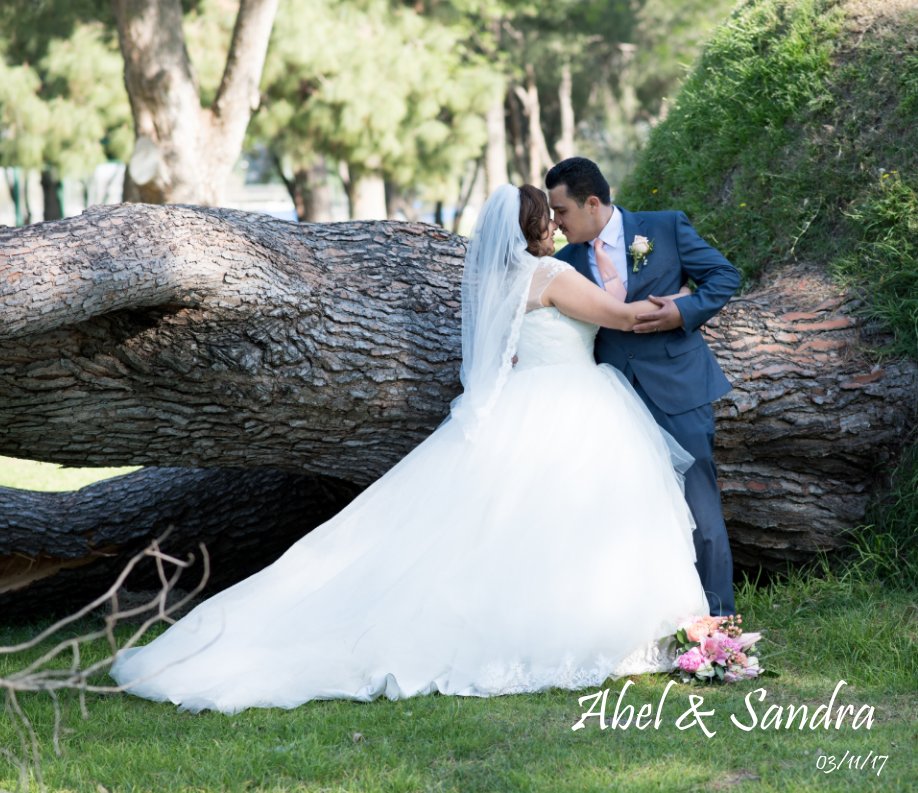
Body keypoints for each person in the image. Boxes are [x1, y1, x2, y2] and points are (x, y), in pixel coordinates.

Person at [110, 184, 710, 713]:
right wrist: (679, 300)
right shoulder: (552, 276)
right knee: (569, 522)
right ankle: (590, 629)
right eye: (548, 218)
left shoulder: (498, 281)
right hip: (572, 402)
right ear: (534, 228)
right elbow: (622, 318)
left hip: (524, 401)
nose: (556, 225)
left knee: (520, 528)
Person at [545, 157, 740, 616]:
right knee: (630, 515)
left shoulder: (664, 227)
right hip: (612, 404)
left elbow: (724, 276)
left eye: (562, 212)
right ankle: (650, 621)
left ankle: (719, 627)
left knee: (701, 514)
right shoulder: (563, 264)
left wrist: (682, 311)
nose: (555, 223)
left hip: (679, 389)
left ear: (592, 203)